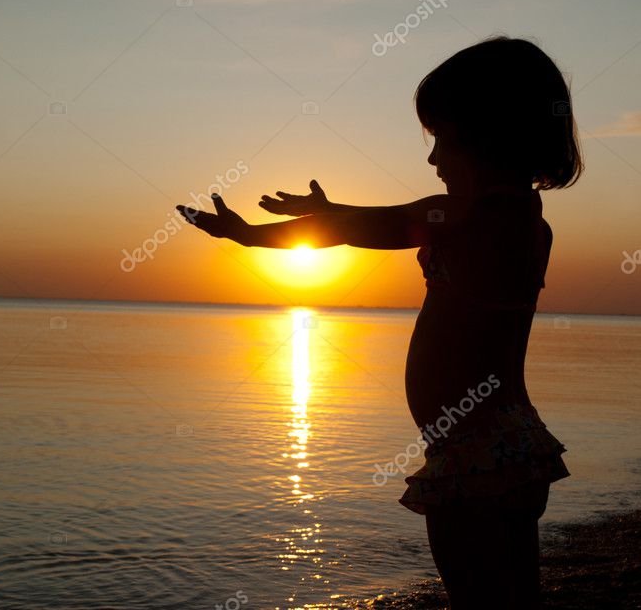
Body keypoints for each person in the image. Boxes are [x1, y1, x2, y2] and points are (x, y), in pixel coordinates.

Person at [176, 36, 580, 609]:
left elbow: (370, 228)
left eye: (441, 136)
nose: (433, 158)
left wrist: (251, 234)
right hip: (514, 443)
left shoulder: (467, 215)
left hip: (473, 453)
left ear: (486, 132)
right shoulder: (525, 220)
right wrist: (335, 214)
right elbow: (374, 223)